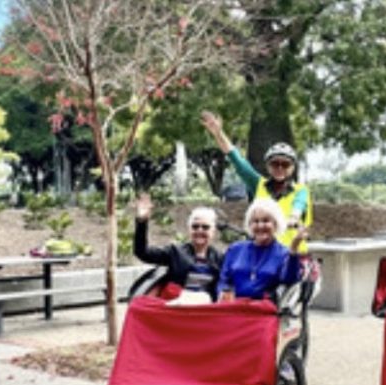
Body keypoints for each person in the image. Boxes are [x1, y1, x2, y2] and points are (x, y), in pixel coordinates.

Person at [200, 110, 312, 254]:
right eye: (275, 164)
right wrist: (218, 133)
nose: (280, 168)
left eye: (285, 164)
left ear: (292, 168)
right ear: (268, 166)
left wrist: (293, 218)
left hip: (292, 255)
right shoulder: (259, 185)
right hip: (263, 254)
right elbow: (236, 159)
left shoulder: (301, 191)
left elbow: (299, 206)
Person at [134, 193, 223, 300]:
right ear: (189, 230)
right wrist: (142, 223)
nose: (200, 230)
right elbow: (142, 252)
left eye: (205, 227)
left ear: (213, 231)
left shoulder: (220, 258)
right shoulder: (175, 252)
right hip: (177, 307)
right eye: (195, 227)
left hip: (205, 310)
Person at [218, 198, 307, 302]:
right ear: (250, 225)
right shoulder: (235, 249)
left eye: (266, 220)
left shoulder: (283, 254)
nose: (260, 225)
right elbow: (223, 280)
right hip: (233, 308)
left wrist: (294, 248)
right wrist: (224, 292)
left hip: (263, 310)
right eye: (255, 221)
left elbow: (289, 279)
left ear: (275, 223)